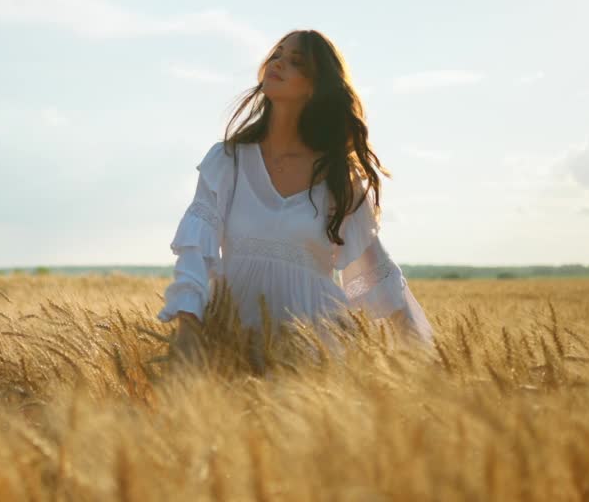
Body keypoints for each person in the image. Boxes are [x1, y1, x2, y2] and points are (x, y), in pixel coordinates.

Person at [158, 29, 435, 369]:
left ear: (316, 86)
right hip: (229, 340)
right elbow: (195, 251)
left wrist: (424, 363)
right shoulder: (228, 161)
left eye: (296, 61)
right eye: (277, 54)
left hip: (312, 351)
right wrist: (189, 324)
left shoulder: (339, 179)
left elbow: (375, 271)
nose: (278, 63)